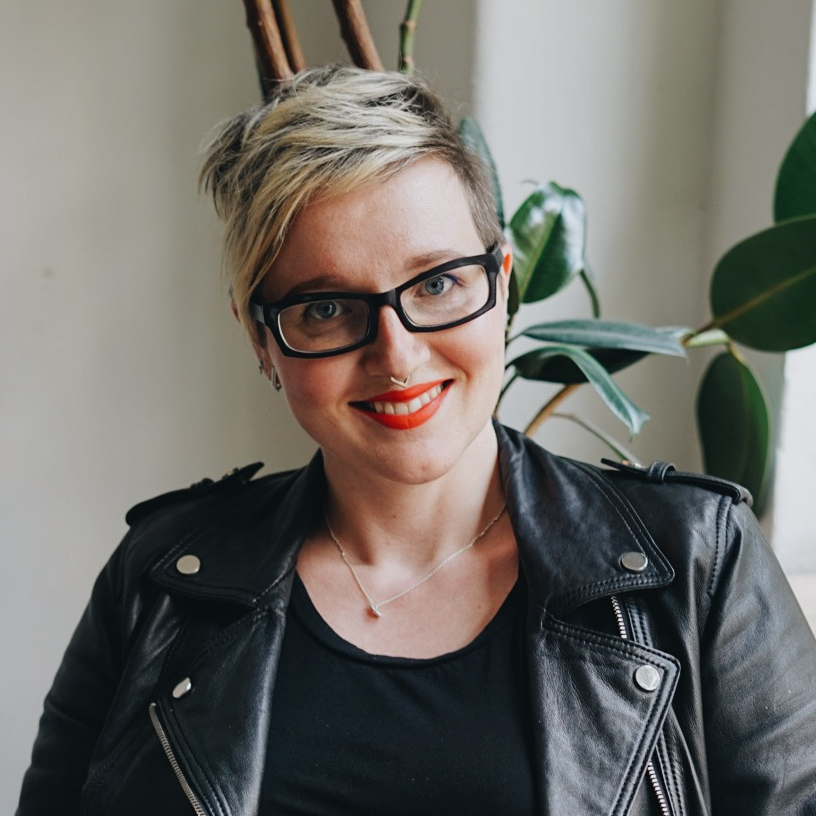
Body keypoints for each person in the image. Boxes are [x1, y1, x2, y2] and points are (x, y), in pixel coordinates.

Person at [16, 65, 816, 816]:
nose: (397, 357)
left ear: (503, 284)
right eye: (326, 307)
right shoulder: (158, 579)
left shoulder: (698, 560)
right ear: (261, 339)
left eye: (437, 284)